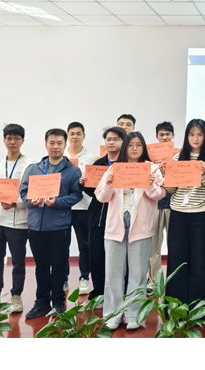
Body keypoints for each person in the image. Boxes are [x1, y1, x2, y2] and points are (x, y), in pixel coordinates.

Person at [95, 132, 165, 330]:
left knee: (137, 273)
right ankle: (113, 314)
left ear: (143, 148)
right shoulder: (114, 168)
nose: (134, 148)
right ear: (124, 147)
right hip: (115, 226)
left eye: (138, 145)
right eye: (131, 145)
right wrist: (108, 184)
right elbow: (101, 196)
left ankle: (135, 315)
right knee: (113, 273)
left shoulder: (151, 168)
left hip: (140, 226)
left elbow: (160, 194)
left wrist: (149, 184)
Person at [20, 128, 83, 319]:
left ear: (65, 144)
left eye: (59, 143)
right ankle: (41, 302)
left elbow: (76, 195)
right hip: (36, 226)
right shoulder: (34, 168)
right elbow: (24, 191)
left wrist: (57, 202)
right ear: (46, 144)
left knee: (58, 266)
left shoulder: (73, 170)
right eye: (52, 143)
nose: (55, 146)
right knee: (40, 266)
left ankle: (57, 302)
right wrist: (31, 200)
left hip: (59, 227)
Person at [0, 124, 33, 314]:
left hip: (18, 222)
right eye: (9, 138)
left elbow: (31, 193)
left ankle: (16, 296)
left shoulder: (30, 165)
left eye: (16, 138)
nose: (12, 141)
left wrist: (16, 203)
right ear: (4, 140)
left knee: (18, 261)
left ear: (22, 141)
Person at [165, 119, 205, 306]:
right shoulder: (178, 158)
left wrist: (203, 175)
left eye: (200, 134)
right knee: (177, 261)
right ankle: (176, 307)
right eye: (191, 134)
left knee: (199, 263)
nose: (195, 138)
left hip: (201, 214)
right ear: (186, 136)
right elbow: (170, 190)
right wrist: (167, 176)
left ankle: (196, 309)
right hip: (178, 214)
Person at [81, 126, 126, 303]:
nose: (111, 142)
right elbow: (93, 193)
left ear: (123, 142)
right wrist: (83, 184)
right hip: (97, 217)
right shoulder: (98, 165)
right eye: (108, 139)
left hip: (120, 218)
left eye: (116, 139)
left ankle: (121, 293)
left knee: (120, 258)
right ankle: (99, 292)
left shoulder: (126, 165)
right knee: (97, 256)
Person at [64, 121, 99, 295]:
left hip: (84, 207)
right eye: (72, 133)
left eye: (78, 133)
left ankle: (84, 278)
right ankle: (63, 279)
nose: (75, 136)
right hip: (62, 207)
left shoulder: (92, 158)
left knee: (85, 245)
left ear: (84, 136)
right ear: (67, 136)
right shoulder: (60, 156)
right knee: (62, 246)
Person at [147, 121, 174, 288]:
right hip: (154, 206)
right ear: (157, 137)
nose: (164, 137)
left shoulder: (179, 156)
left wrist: (170, 169)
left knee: (175, 247)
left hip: (173, 206)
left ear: (173, 136)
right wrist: (156, 169)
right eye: (161, 135)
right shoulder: (149, 158)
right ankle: (154, 282)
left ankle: (173, 281)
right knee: (153, 247)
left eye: (167, 134)